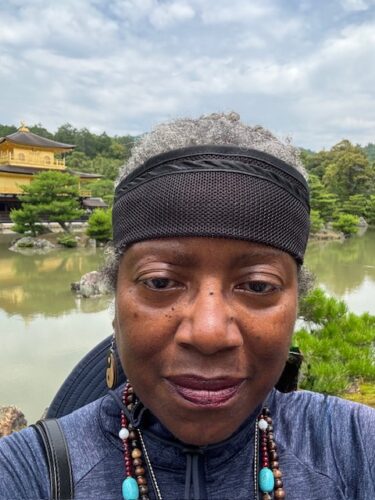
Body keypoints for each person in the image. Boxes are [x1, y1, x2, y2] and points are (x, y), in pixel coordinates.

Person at [0, 112, 374, 500]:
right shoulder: (30, 474)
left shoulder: (354, 448)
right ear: (114, 299)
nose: (209, 333)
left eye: (258, 285)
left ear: (297, 302)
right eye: (160, 282)